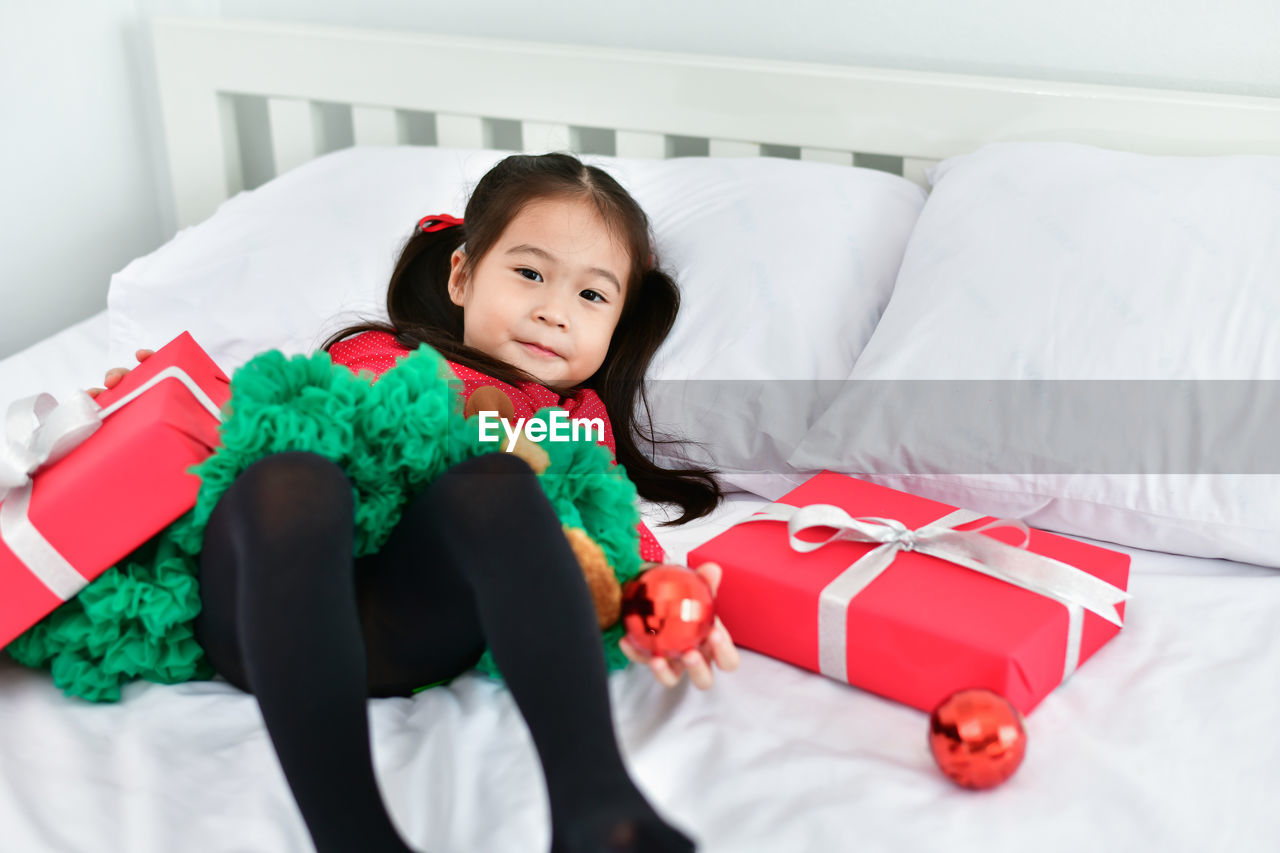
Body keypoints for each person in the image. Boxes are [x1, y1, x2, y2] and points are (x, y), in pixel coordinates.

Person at [89, 152, 739, 853]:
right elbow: (282, 422)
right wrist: (173, 407)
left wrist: (655, 588)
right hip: (266, 606)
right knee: (293, 476)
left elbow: (600, 514)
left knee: (501, 481)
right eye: (529, 274)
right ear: (461, 275)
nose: (554, 311)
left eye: (592, 297)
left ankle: (601, 812)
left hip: (407, 624)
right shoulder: (377, 351)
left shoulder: (575, 419)